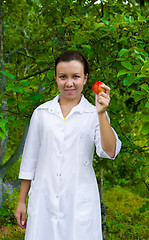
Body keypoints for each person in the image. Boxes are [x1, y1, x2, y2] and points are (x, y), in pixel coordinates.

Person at [15, 50, 121, 240]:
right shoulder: (42, 113)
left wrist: (102, 113)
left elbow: (109, 151)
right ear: (55, 77)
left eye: (76, 77)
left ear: (86, 78)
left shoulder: (94, 114)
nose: (69, 83)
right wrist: (21, 201)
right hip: (43, 201)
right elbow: (30, 160)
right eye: (63, 77)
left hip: (79, 203)